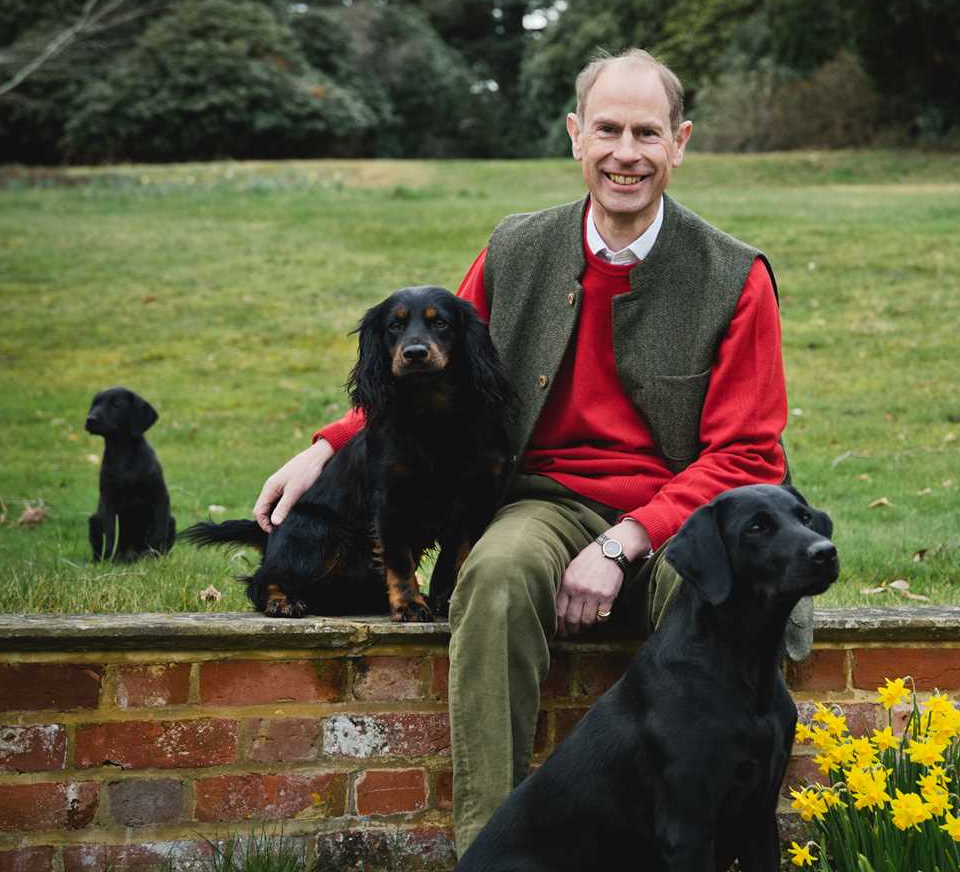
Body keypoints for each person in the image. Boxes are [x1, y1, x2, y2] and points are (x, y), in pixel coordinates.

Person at [252, 48, 788, 854]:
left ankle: (697, 844)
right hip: (543, 498)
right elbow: (428, 371)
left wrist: (625, 540)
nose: (625, 154)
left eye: (647, 133)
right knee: (494, 577)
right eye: (607, 129)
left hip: (684, 514)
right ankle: (489, 851)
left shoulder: (735, 275)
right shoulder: (515, 248)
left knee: (718, 599)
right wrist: (327, 446)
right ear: (576, 137)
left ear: (680, 143)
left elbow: (748, 456)